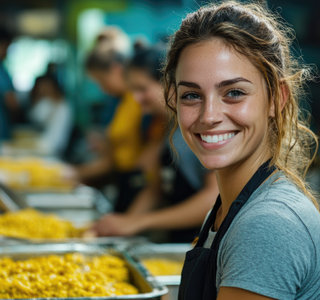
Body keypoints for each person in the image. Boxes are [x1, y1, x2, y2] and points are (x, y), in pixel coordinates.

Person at [163, 1, 320, 299]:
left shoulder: (267, 224)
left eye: (234, 93)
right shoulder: (229, 208)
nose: (209, 115)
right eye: (191, 95)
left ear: (275, 99)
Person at [92, 44, 218, 243]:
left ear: (170, 84)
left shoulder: (200, 128)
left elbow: (213, 198)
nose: (136, 98)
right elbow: (155, 189)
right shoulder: (166, 128)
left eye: (142, 89)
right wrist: (126, 223)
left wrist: (141, 221)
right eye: (132, 90)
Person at [76, 27, 153, 212]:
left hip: (139, 183)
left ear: (116, 70)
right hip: (125, 182)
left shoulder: (139, 103)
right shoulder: (121, 102)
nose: (102, 89)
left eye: (102, 81)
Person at [28, 75, 73, 157]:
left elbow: (56, 138)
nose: (42, 89)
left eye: (45, 86)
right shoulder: (46, 102)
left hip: (53, 147)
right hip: (44, 143)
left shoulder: (63, 106)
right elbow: (35, 117)